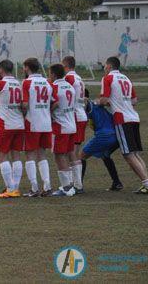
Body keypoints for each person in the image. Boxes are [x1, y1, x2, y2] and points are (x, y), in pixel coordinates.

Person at [98, 57, 148, 194]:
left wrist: (99, 103)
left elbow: (103, 100)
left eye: (105, 65)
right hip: (134, 117)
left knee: (128, 154)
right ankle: (147, 183)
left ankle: (147, 184)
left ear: (109, 66)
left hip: (122, 118)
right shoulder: (126, 78)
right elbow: (134, 101)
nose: (104, 67)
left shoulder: (108, 78)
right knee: (134, 153)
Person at [0, 60, 24, 198]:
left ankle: (9, 188)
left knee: (3, 155)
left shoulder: (0, 83)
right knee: (16, 155)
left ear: (1, 70)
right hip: (19, 124)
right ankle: (16, 188)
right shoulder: (19, 83)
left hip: (5, 125)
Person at [21, 57, 53, 197]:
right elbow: (54, 102)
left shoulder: (27, 82)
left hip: (32, 121)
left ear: (27, 67)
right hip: (46, 122)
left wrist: (21, 112)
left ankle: (34, 188)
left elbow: (25, 104)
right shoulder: (47, 82)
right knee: (42, 154)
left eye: (24, 67)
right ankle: (47, 186)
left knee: (30, 154)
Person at [79, 89, 123, 191]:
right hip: (116, 135)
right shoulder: (98, 104)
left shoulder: (88, 104)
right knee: (105, 155)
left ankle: (78, 186)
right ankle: (117, 183)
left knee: (81, 156)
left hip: (104, 136)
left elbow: (86, 103)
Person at [47, 63, 78, 196]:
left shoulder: (54, 87)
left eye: (49, 74)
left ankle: (66, 187)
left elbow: (55, 104)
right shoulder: (70, 87)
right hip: (71, 124)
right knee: (68, 153)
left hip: (60, 125)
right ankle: (73, 184)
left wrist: (48, 111)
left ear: (53, 74)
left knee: (59, 155)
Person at [63, 56, 86, 192]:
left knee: (71, 152)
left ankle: (76, 184)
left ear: (66, 66)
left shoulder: (69, 78)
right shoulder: (79, 78)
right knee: (73, 151)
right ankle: (76, 183)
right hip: (81, 114)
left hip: (75, 116)